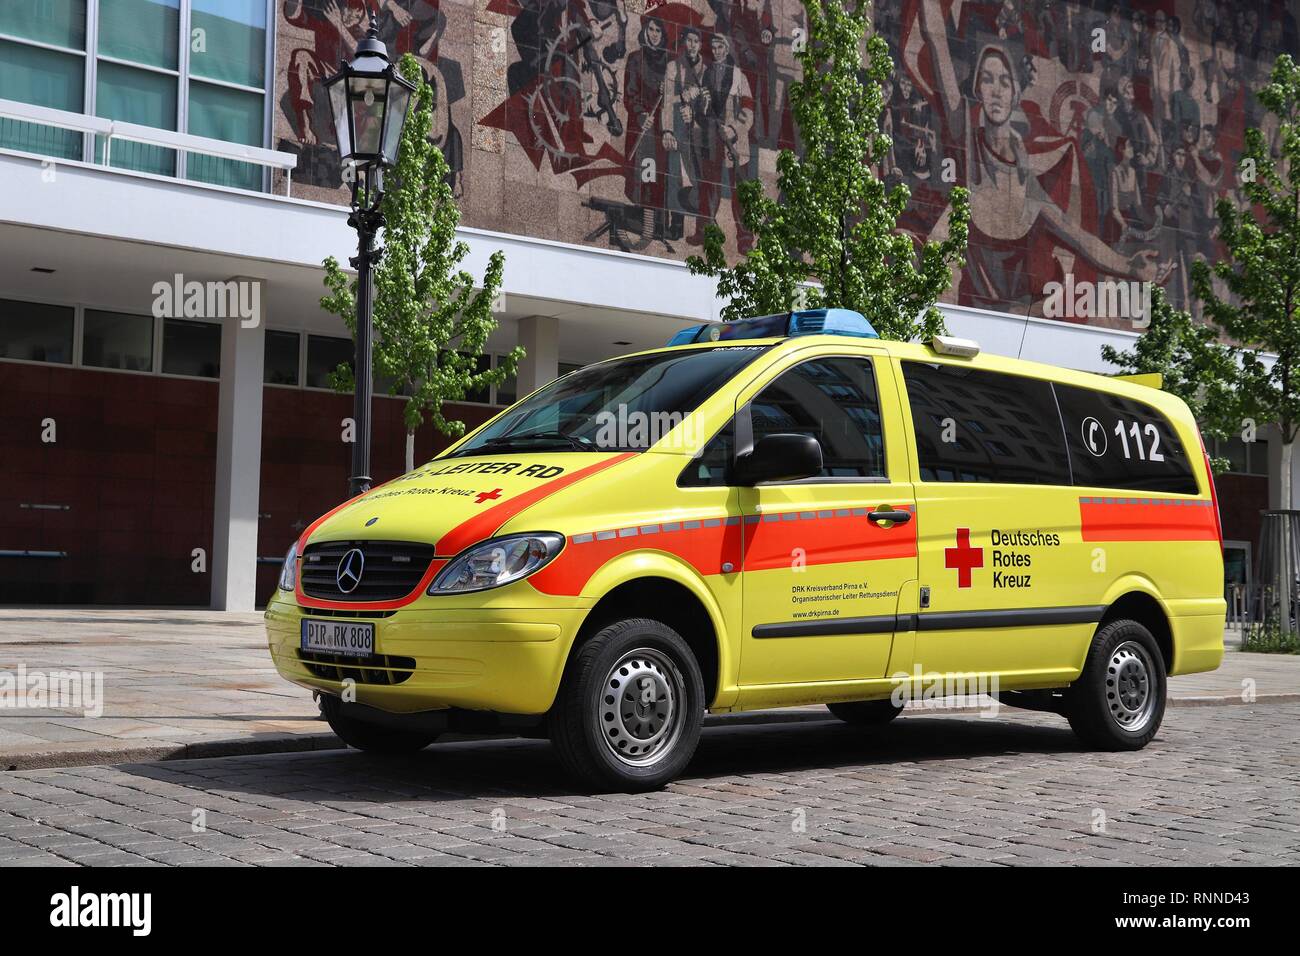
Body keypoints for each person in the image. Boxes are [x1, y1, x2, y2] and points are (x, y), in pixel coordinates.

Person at [917, 5, 1165, 312]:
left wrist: (1129, 267)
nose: (996, 91)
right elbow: (939, 49)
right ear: (978, 89)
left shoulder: (1027, 186)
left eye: (1004, 82)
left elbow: (1080, 239)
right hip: (968, 318)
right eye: (988, 80)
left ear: (1016, 93)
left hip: (1012, 327)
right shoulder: (968, 141)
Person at [623, 16, 670, 242]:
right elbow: (629, 94)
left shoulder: (669, 65)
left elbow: (675, 101)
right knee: (641, 173)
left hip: (661, 130)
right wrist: (641, 114)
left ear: (663, 36)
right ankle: (642, 224)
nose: (653, 34)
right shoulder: (635, 59)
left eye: (658, 31)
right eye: (651, 29)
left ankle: (653, 226)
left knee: (658, 176)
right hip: (642, 127)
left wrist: (667, 89)